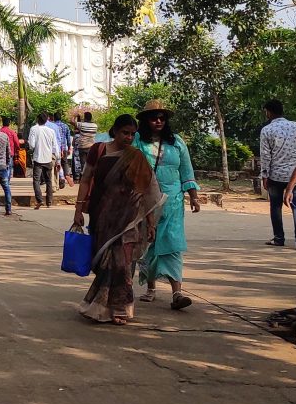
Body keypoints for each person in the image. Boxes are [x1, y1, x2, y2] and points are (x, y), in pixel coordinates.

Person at [71, 114, 165, 325]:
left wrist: (150, 222)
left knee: (122, 263)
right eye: (125, 133)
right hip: (102, 214)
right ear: (114, 130)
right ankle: (101, 307)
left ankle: (121, 308)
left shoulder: (137, 157)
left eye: (133, 134)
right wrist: (78, 209)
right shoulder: (99, 150)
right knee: (105, 263)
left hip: (129, 218)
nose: (129, 138)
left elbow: (146, 192)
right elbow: (86, 179)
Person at [132, 99, 201, 310]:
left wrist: (194, 196)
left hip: (173, 202)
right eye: (154, 118)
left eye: (162, 118)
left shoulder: (177, 142)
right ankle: (150, 287)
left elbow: (186, 171)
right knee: (147, 245)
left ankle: (177, 293)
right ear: (146, 120)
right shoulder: (137, 142)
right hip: (146, 202)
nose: (159, 121)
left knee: (172, 245)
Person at [260, 99, 296, 250]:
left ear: (268, 112)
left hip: (275, 175)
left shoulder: (267, 130)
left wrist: (264, 175)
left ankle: (279, 238)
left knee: (275, 207)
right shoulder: (295, 126)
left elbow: (265, 155)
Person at [28, 112, 58, 208]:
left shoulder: (33, 129)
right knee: (49, 180)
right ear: (47, 120)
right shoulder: (51, 131)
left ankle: (39, 200)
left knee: (36, 180)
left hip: (38, 158)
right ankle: (49, 202)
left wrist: (31, 149)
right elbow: (55, 146)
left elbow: (31, 145)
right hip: (48, 158)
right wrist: (57, 158)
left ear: (38, 119)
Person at [73, 111, 99, 181]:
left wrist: (75, 116)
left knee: (83, 164)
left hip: (82, 146)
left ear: (85, 118)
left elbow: (72, 122)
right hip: (91, 146)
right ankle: (90, 178)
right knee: (90, 163)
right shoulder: (95, 125)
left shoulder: (82, 124)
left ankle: (83, 179)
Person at [52, 112, 72, 187]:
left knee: (56, 164)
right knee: (65, 162)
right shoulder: (65, 126)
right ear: (61, 118)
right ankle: (66, 174)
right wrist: (69, 147)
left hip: (55, 148)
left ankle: (60, 178)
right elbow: (68, 138)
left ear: (54, 118)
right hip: (64, 147)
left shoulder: (53, 126)